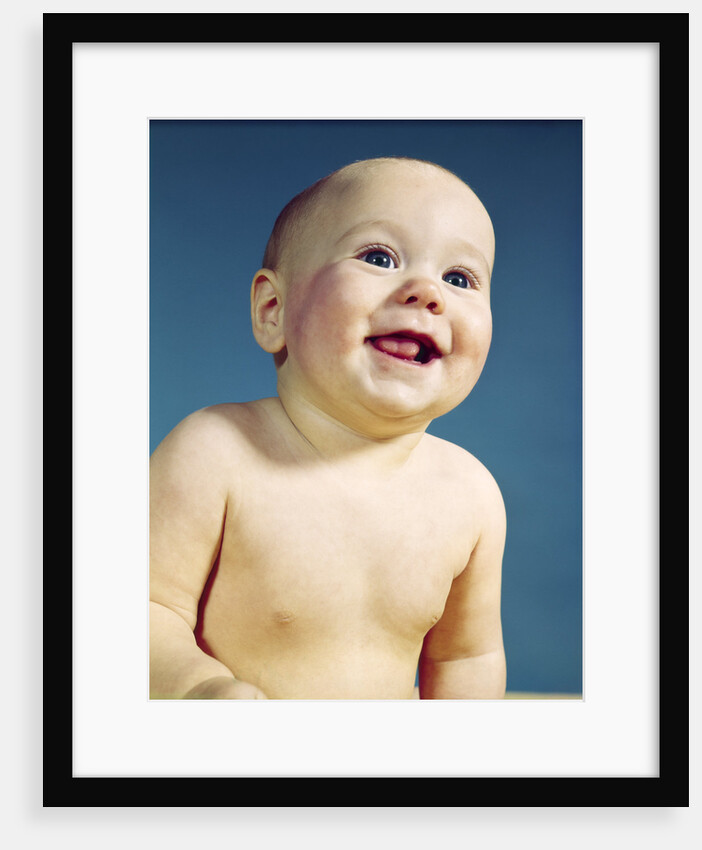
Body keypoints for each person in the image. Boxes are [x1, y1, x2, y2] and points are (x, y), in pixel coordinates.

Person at [149, 156, 506, 700]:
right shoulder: (214, 451)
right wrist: (198, 689)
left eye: (458, 278)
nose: (426, 291)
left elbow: (465, 658)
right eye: (379, 257)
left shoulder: (471, 494)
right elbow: (143, 611)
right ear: (274, 309)